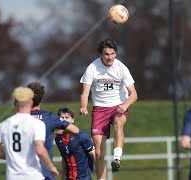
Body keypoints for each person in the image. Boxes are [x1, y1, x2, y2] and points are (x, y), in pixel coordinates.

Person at [80, 38, 138, 179]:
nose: (110, 57)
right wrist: (83, 106)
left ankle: (117, 158)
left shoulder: (121, 68)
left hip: (118, 107)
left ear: (116, 54)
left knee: (119, 123)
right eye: (106, 54)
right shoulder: (92, 68)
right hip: (100, 109)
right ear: (101, 54)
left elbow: (134, 94)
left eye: (112, 54)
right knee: (99, 153)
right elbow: (85, 92)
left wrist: (125, 105)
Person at [0, 87, 59, 180]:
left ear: (15, 103)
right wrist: (51, 167)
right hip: (33, 176)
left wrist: (10, 156)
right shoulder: (37, 124)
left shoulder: (4, 124)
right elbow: (40, 150)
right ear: (31, 103)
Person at [27, 82, 80, 180]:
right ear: (41, 99)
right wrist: (64, 132)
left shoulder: (19, 118)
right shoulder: (49, 117)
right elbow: (75, 130)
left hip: (23, 173)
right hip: (45, 173)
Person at [55, 106, 96, 180]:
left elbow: (95, 157)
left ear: (72, 120)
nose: (64, 120)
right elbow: (64, 160)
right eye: (61, 118)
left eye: (67, 117)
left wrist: (101, 177)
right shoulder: (58, 139)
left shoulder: (82, 136)